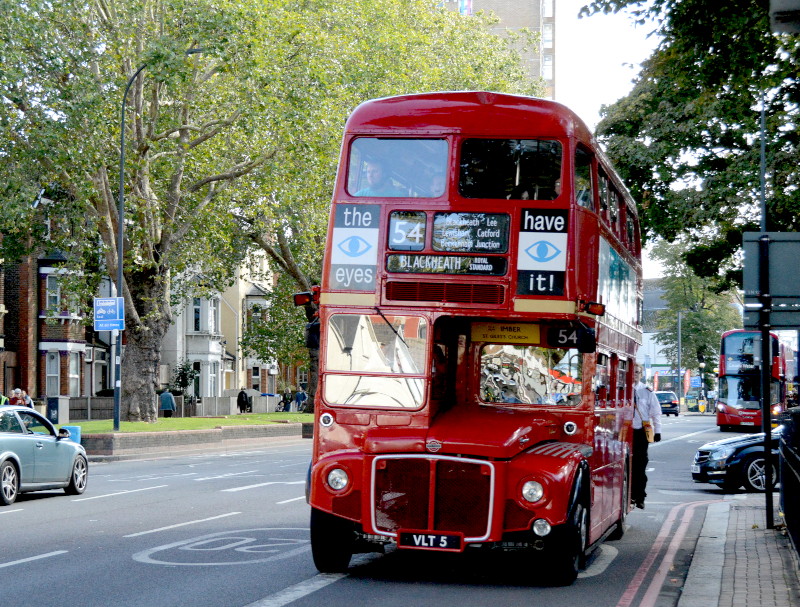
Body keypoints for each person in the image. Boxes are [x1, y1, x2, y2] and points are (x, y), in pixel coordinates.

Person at [632, 365, 662, 509]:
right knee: (627, 464)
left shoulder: (647, 391)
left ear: (641, 374)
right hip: (625, 431)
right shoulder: (622, 388)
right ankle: (630, 493)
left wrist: (658, 431)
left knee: (640, 463)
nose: (635, 375)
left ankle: (640, 496)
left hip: (642, 431)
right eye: (632, 372)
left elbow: (656, 412)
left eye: (637, 372)